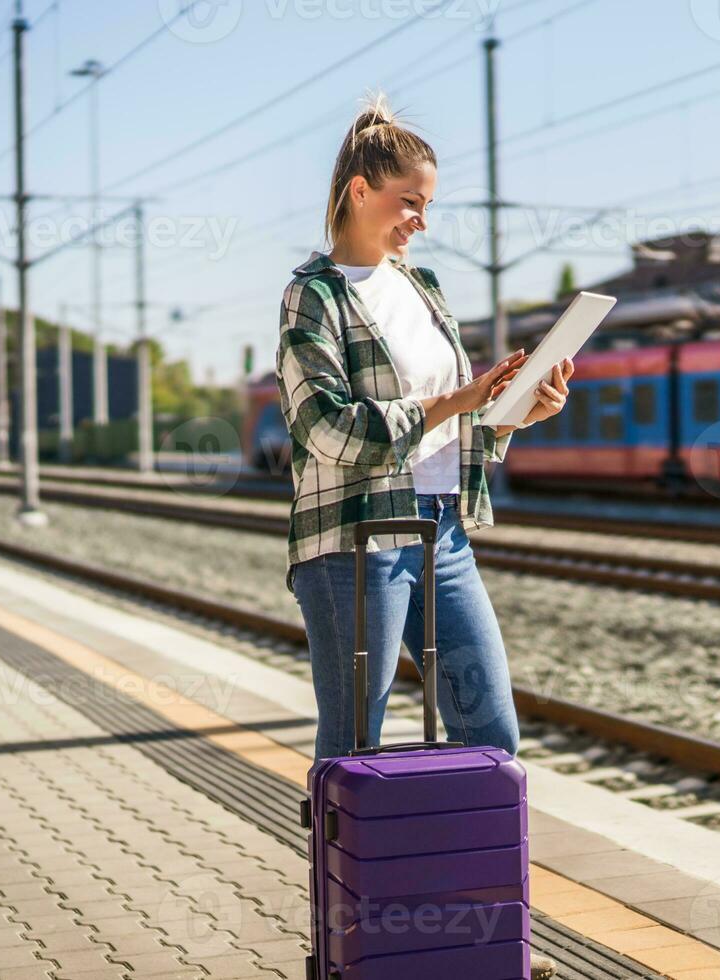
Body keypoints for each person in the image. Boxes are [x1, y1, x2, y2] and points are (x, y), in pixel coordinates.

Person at [275, 89, 571, 980]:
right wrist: (458, 398)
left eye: (428, 206)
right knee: (354, 749)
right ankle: (349, 948)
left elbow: (458, 432)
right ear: (360, 190)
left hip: (444, 532)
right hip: (355, 543)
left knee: (493, 735)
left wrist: (516, 413)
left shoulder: (425, 289)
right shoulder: (312, 296)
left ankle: (479, 944)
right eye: (410, 203)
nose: (420, 223)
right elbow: (325, 427)